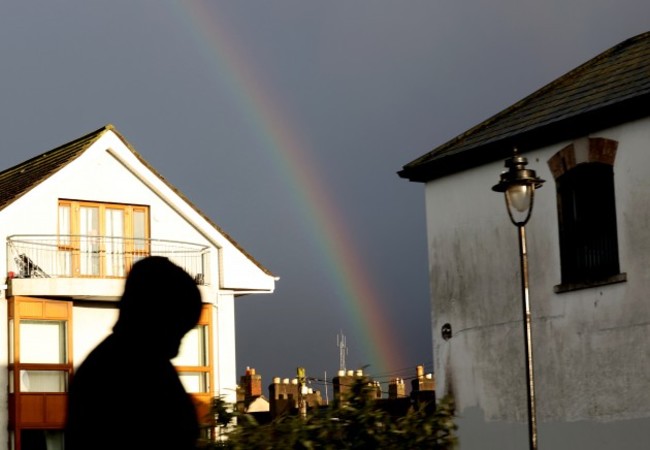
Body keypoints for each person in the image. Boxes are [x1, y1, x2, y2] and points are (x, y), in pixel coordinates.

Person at [66, 256, 203, 450]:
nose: (176, 349)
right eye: (177, 330)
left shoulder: (111, 365)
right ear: (154, 316)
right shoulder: (132, 371)